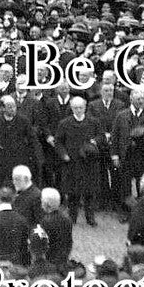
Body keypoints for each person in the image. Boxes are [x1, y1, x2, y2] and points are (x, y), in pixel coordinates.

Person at [54, 95, 102, 225]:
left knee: (89, 192)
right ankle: (72, 217)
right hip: (72, 162)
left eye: (80, 107)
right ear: (71, 108)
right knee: (73, 192)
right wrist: (63, 155)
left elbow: (101, 136)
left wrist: (95, 141)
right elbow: (58, 142)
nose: (78, 110)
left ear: (85, 107)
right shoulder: (64, 123)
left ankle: (90, 217)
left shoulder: (94, 122)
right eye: (75, 108)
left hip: (89, 162)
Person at [37, 187, 73, 268]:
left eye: (42, 201)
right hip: (63, 258)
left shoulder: (45, 221)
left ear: (47, 204)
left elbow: (42, 244)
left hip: (50, 260)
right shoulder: (67, 219)